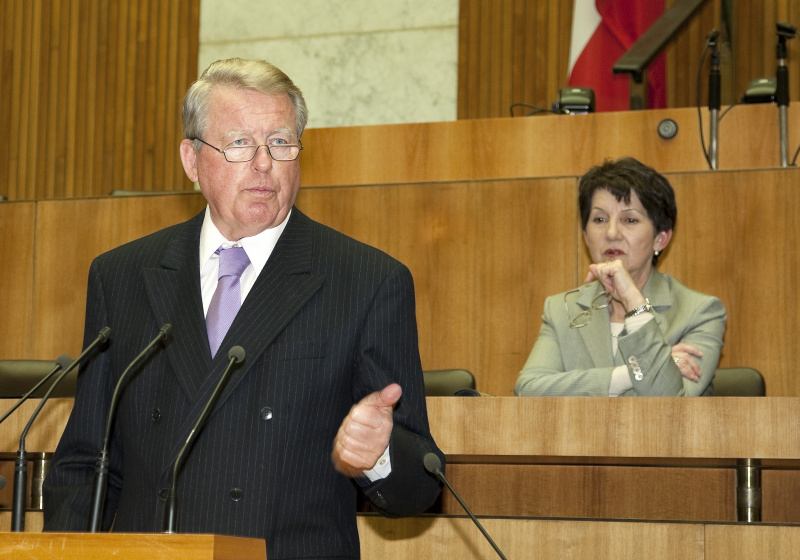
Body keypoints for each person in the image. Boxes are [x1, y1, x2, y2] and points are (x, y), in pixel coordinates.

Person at [43, 58, 444, 559]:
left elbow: (421, 485)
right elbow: (85, 464)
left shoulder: (366, 281)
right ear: (192, 159)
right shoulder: (122, 276)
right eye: (239, 144)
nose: (263, 164)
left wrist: (380, 456)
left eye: (280, 142)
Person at [515, 157, 726, 397]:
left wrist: (634, 304)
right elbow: (529, 390)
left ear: (661, 238)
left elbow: (670, 402)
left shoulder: (700, 312)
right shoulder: (562, 309)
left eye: (630, 220)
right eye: (600, 219)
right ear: (585, 236)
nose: (612, 233)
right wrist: (631, 374)